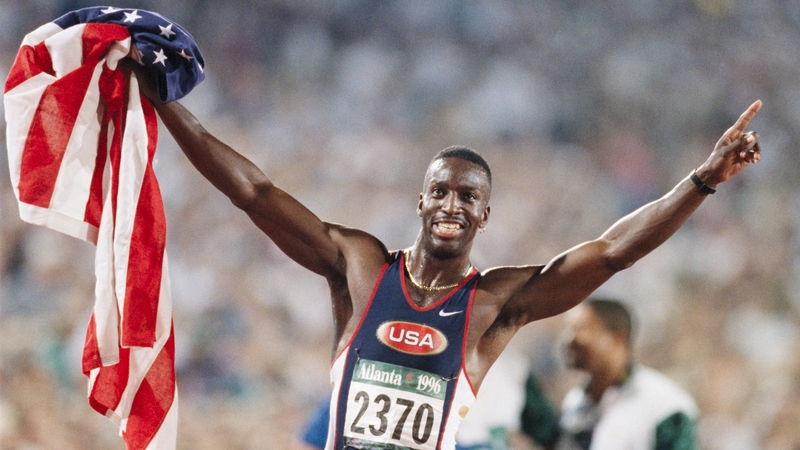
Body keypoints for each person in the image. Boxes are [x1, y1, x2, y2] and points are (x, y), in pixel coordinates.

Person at [124, 58, 761, 450]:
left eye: (468, 196)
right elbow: (255, 193)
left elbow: (614, 252)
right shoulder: (360, 265)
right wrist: (164, 102)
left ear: (485, 214)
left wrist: (702, 180)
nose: (452, 204)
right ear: (421, 201)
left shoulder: (495, 302)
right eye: (441, 191)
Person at [520, 298, 699, 450]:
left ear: (617, 338)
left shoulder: (665, 406)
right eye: (567, 330)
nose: (568, 339)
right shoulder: (576, 402)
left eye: (580, 328)